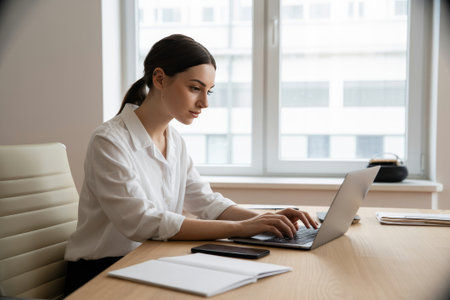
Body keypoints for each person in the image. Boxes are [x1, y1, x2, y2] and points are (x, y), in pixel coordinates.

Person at [63, 34, 318, 296]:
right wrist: (240, 229)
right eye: (195, 88)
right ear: (160, 79)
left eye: (208, 91)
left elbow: (206, 202)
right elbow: (141, 222)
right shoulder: (109, 140)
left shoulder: (173, 140)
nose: (204, 103)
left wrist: (267, 217)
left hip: (148, 261)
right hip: (100, 272)